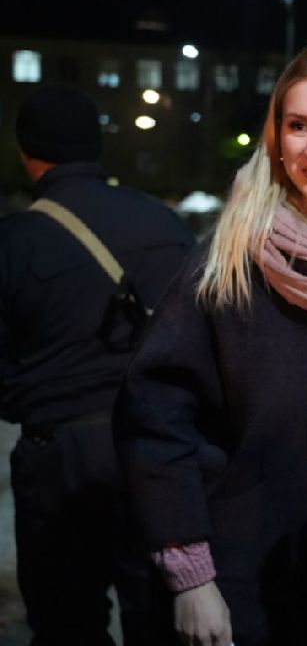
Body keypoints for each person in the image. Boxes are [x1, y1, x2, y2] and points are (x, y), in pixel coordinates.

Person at [113, 44, 307, 646]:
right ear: (275, 137)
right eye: (297, 125)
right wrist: (192, 578)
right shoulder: (227, 262)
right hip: (242, 570)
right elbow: (155, 420)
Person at [0, 84, 194, 644]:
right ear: (97, 147)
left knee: (66, 623)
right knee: (157, 618)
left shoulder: (16, 241)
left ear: (25, 152)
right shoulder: (164, 225)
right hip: (159, 449)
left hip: (61, 460)